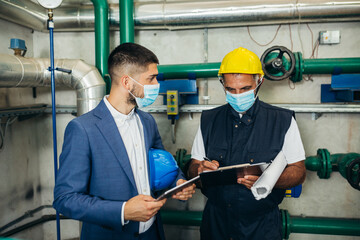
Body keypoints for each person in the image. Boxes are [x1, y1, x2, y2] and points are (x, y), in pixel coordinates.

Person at [53, 42, 195, 240]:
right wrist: (124, 211)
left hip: (152, 233)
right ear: (127, 83)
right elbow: (65, 199)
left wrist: (177, 182)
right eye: (151, 78)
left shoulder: (147, 121)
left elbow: (162, 165)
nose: (157, 86)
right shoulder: (83, 129)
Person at [188, 47, 306, 240]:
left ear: (259, 81)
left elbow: (299, 171)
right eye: (230, 89)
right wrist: (199, 170)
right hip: (216, 225)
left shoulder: (282, 120)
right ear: (222, 84)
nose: (237, 95)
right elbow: (193, 167)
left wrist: (269, 180)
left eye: (244, 89)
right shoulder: (209, 120)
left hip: (262, 227)